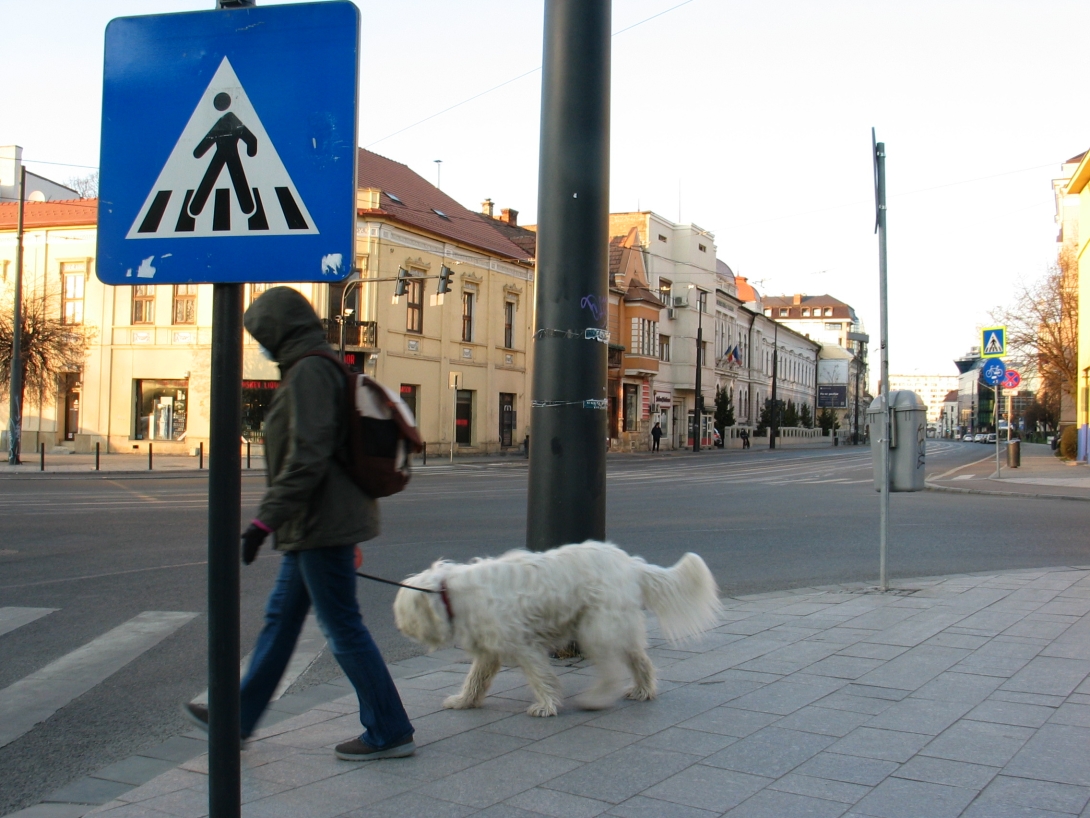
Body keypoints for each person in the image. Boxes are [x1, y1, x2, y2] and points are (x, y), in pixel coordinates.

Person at [184, 286, 414, 762]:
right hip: (315, 523)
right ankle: (240, 716)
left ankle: (388, 728)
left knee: (342, 628)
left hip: (321, 524)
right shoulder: (314, 364)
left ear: (279, 330)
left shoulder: (310, 370)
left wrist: (264, 523)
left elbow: (307, 456)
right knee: (281, 622)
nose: (261, 346)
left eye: (262, 336)